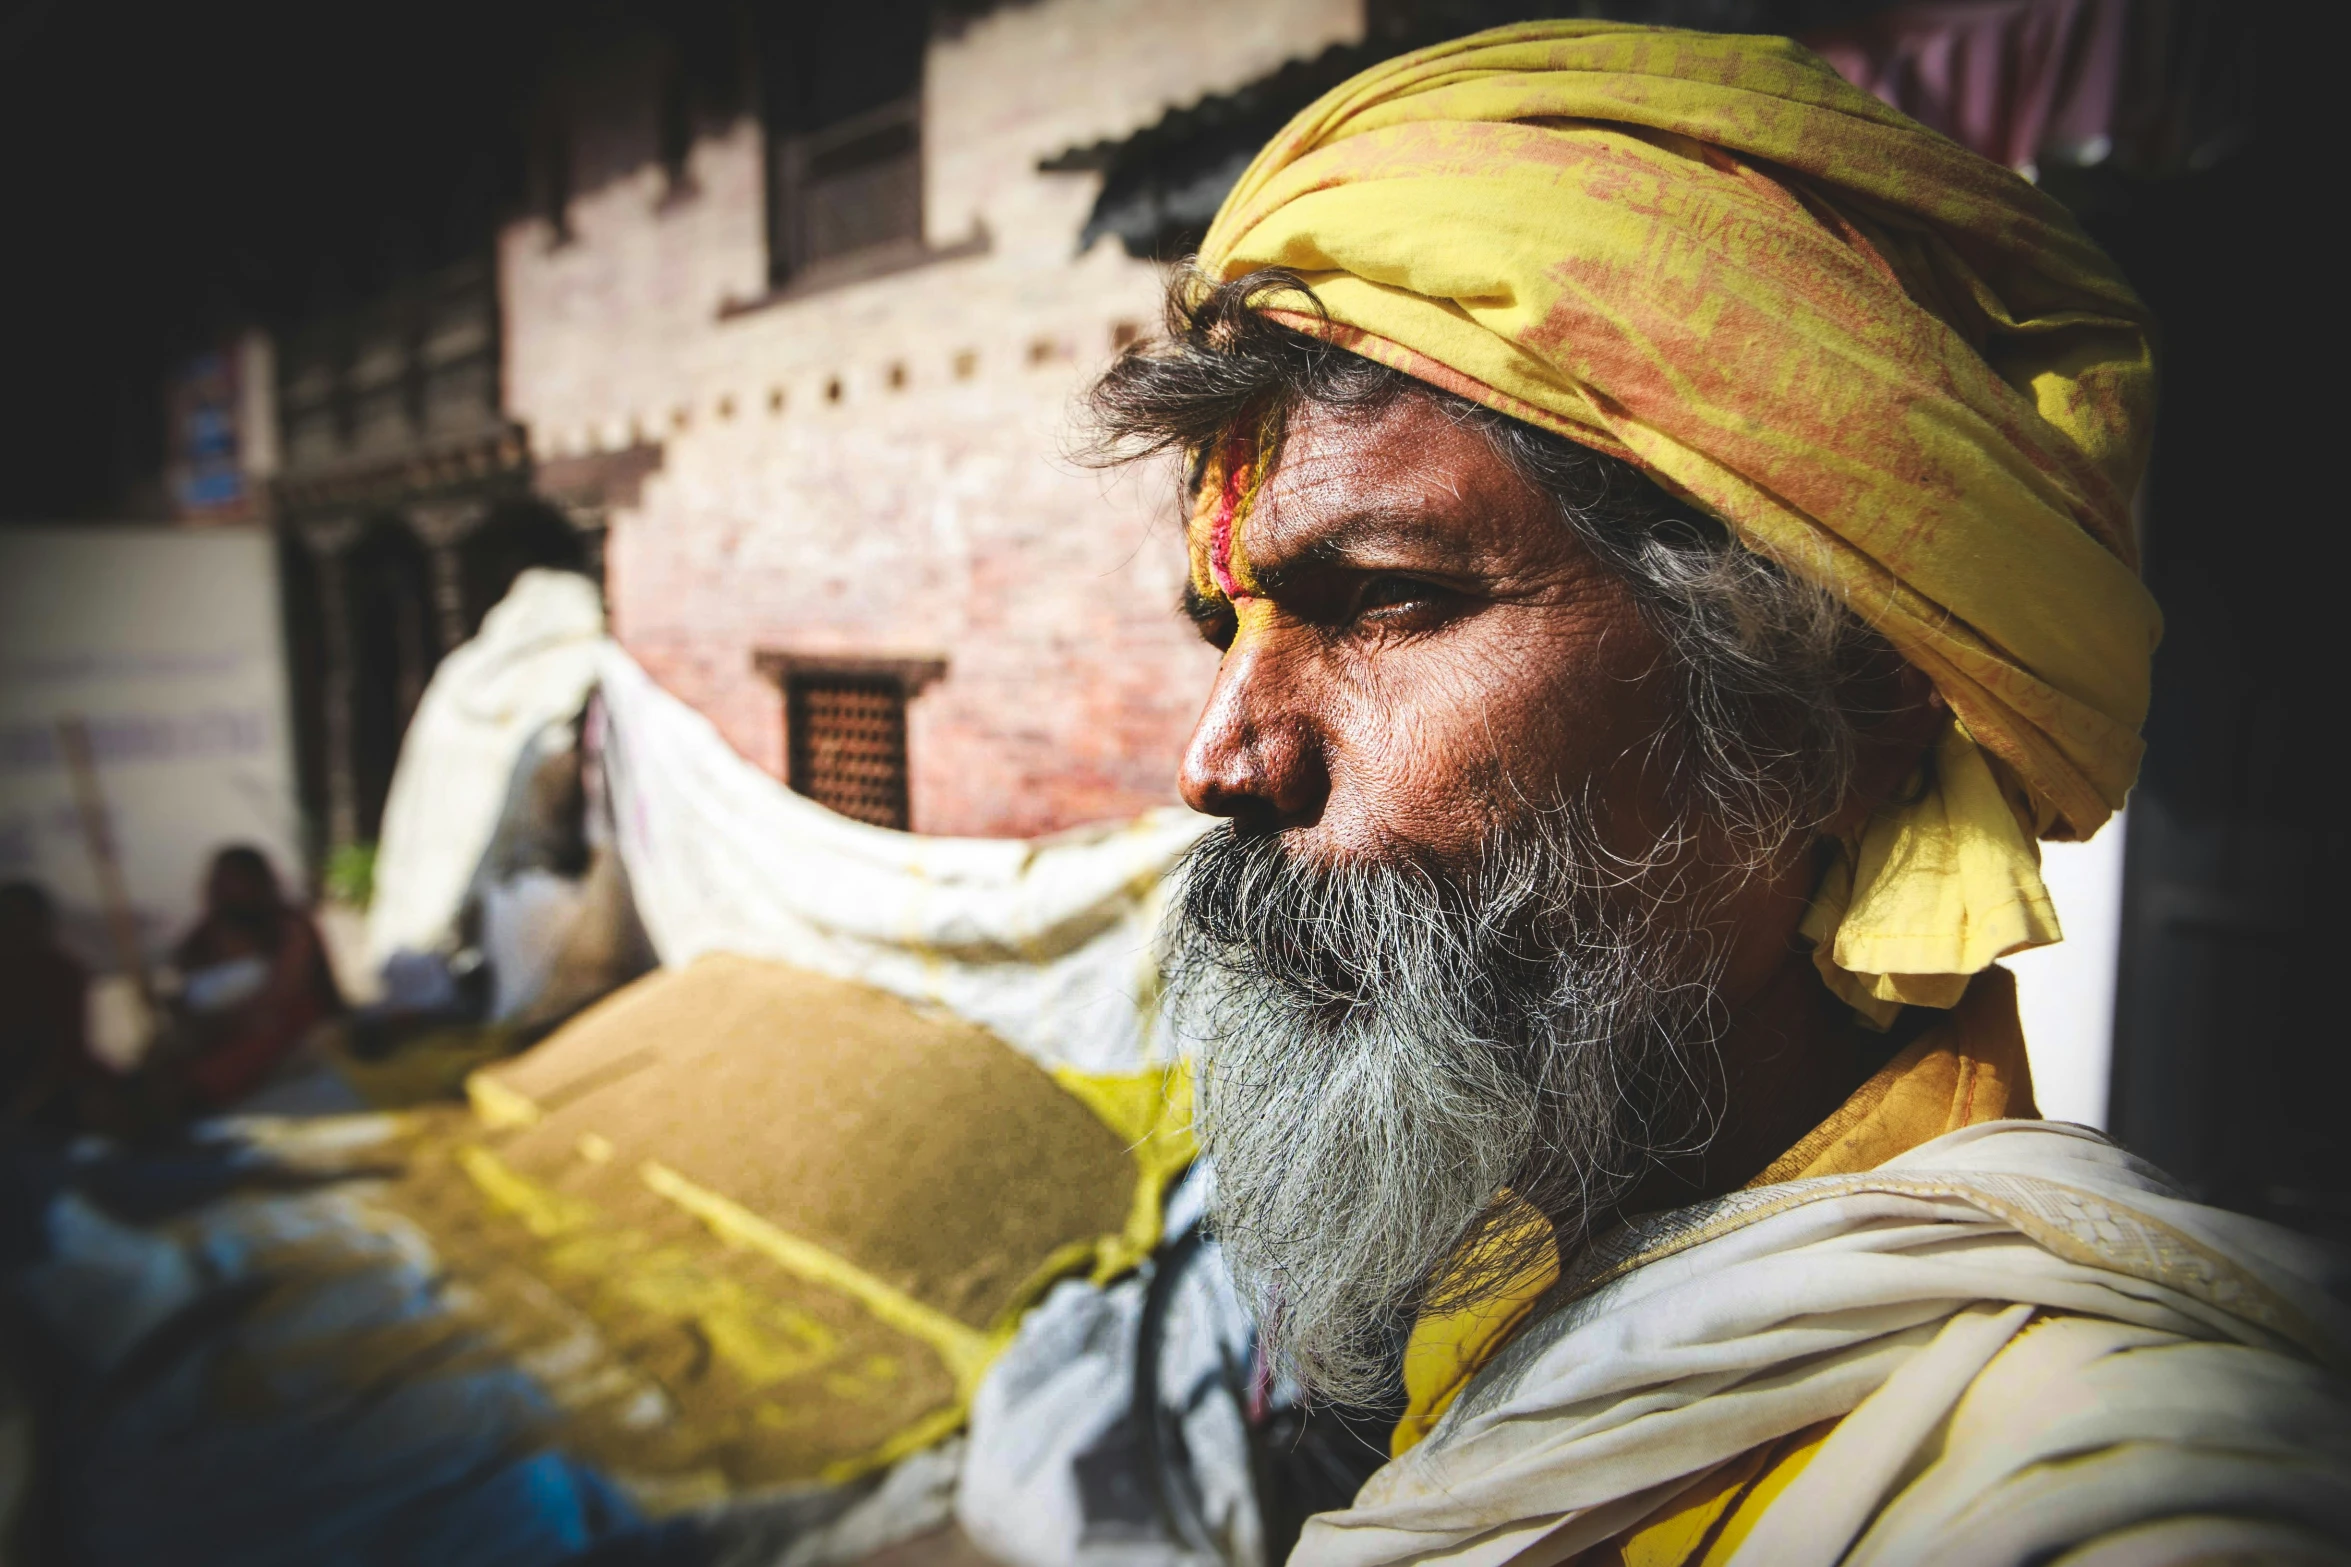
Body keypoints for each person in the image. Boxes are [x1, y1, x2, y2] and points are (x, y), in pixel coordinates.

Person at [1088, 21, 2348, 1565]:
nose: (1216, 758)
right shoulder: (1502, 1286)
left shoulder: (2101, 1485)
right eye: (1225, 630)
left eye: (1383, 598)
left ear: (1835, 715)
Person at [165, 845, 343, 1109]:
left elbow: (285, 990)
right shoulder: (208, 933)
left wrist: (241, 1014)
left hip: (284, 1025)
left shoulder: (289, 926)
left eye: (231, 880)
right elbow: (187, 980)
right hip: (225, 1026)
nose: (220, 888)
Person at [0, 879, 96, 1130]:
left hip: (54, 1097)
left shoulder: (62, 973)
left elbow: (66, 1051)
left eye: (19, 921)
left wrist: (20, 1110)